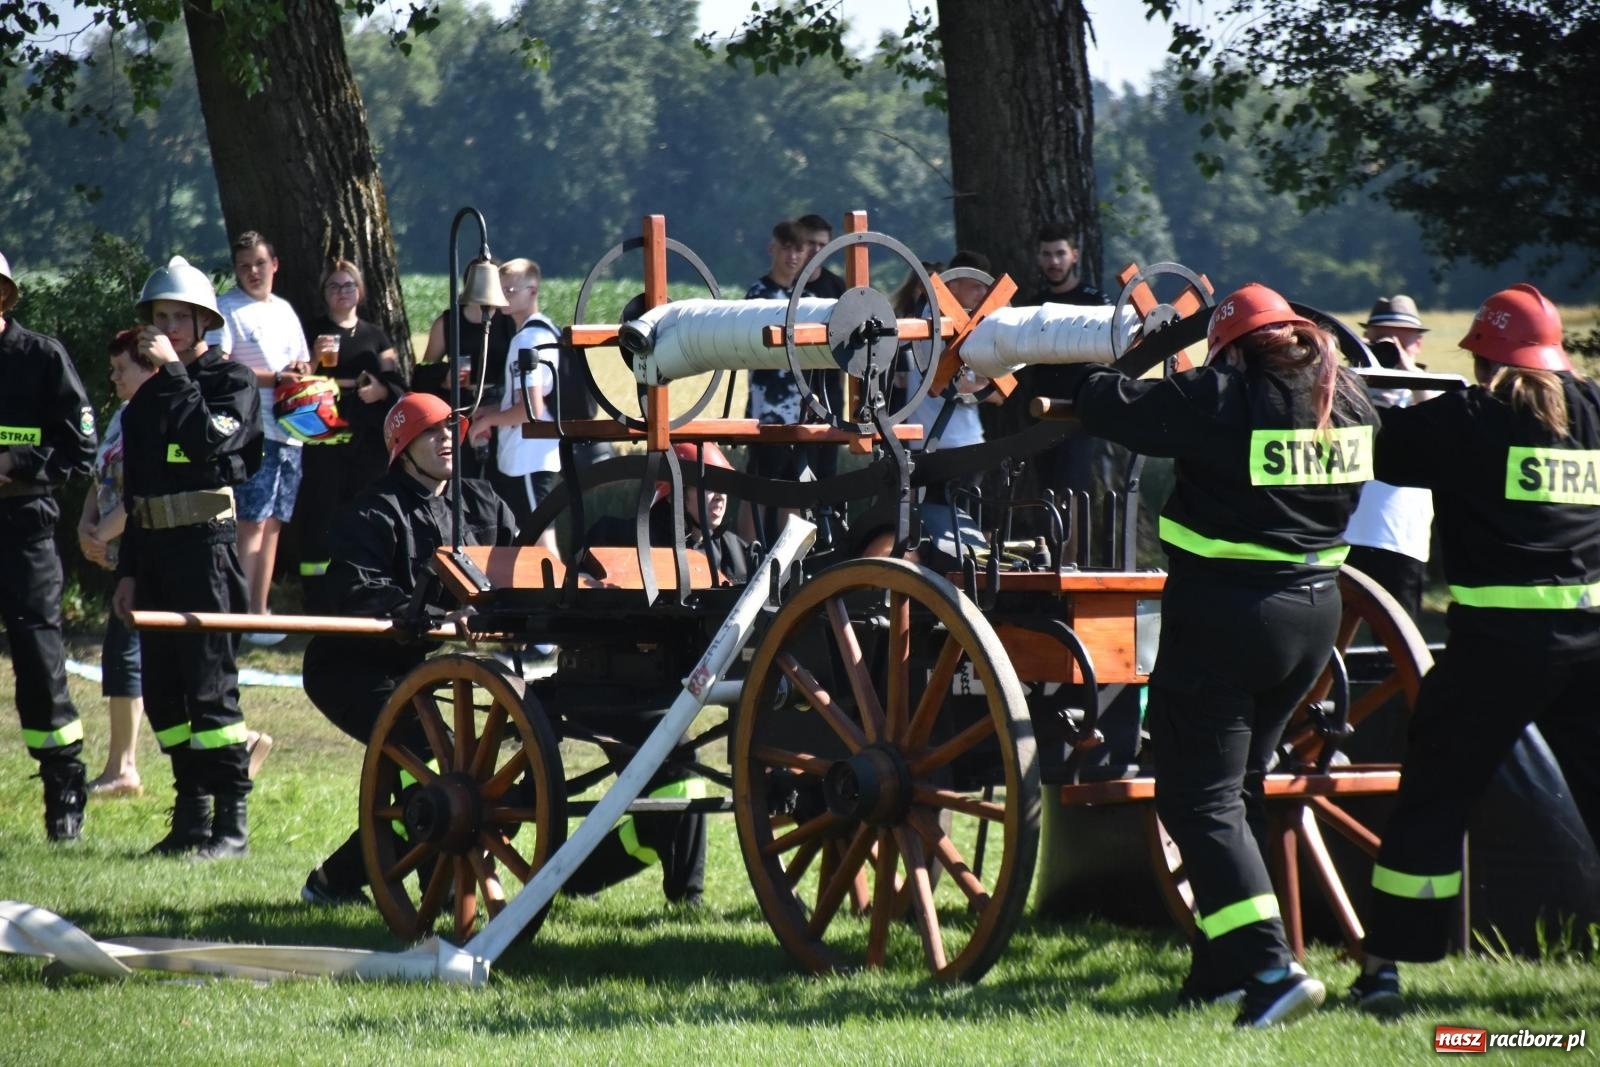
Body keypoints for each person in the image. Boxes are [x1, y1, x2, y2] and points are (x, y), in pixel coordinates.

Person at [1056, 282, 1380, 1027]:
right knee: (1237, 790)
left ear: (1232, 346)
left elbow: (1112, 406)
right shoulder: (1350, 400)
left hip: (1230, 614)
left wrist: (1091, 372)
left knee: (1196, 797)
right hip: (1316, 614)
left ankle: (1269, 967)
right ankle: (1222, 965)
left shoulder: (1224, 394)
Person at [1353, 284, 1600, 1013]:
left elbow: (1381, 453)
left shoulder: (1468, 416)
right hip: (1590, 643)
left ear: (1485, 358)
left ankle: (1384, 969)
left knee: (1433, 797)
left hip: (1496, 647)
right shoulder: (1591, 413)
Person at [299, 392, 517, 904]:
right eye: (430, 431)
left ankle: (333, 882)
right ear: (403, 444)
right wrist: (442, 617)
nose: (445, 438)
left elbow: (518, 565)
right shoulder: (372, 513)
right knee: (433, 763)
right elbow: (360, 590)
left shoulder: (482, 502)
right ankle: (438, 889)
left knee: (450, 772)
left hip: (419, 668)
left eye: (449, 429)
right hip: (352, 668)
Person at [112, 255, 263, 859]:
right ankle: (191, 816)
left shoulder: (232, 382)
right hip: (154, 556)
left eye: (181, 316)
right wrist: (127, 571)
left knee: (210, 691)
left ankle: (232, 823)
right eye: (161, 316)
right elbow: (138, 488)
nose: (169, 326)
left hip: (206, 553)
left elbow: (211, 437)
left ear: (204, 323)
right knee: (166, 695)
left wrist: (174, 374)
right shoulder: (145, 399)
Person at [0, 249, 97, 842]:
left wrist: (17, 461)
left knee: (39, 663)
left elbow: (79, 449)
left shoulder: (41, 359)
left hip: (24, 529)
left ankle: (64, 791)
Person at [217, 231, 312, 644]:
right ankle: (237, 614)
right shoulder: (226, 309)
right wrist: (275, 377)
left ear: (274, 264)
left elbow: (302, 359)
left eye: (259, 263)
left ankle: (260, 610)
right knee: (250, 523)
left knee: (273, 524)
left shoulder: (285, 311)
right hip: (252, 432)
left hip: (291, 431)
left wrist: (300, 370)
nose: (253, 272)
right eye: (244, 266)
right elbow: (219, 367)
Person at [296, 258, 407, 610]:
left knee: (365, 508)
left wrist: (380, 391)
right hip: (323, 434)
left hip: (368, 437)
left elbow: (396, 382)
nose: (342, 292)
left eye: (348, 285)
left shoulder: (376, 335)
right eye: (334, 286)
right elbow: (296, 381)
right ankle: (315, 593)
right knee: (321, 511)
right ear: (324, 293)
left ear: (359, 291)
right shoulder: (311, 330)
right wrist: (315, 360)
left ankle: (364, 586)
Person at [76, 329, 156, 798]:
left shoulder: (152, 417)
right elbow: (101, 475)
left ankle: (123, 769)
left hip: (143, 551)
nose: (113, 378)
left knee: (128, 653)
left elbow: (141, 490)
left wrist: (102, 534)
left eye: (121, 369)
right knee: (128, 653)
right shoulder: (123, 416)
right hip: (113, 544)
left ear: (150, 369)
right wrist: (86, 526)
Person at [1012, 223, 1124, 552]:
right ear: (1037, 258)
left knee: (1072, 492)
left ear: (1074, 255)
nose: (1054, 262)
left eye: (1060, 253)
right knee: (1045, 490)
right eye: (1046, 254)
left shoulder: (1094, 300)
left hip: (1079, 412)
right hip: (1040, 411)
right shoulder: (1035, 305)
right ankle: (1049, 563)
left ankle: (1071, 563)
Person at [1342, 294, 1433, 619]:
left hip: (1400, 538)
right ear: (1366, 341)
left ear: (1418, 344)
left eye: (1401, 341)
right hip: (1343, 533)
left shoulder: (1435, 389)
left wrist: (1408, 372)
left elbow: (1438, 419)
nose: (1391, 348)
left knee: (1399, 644)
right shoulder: (1350, 385)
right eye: (1382, 340)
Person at [468, 258, 560, 553]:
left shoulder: (530, 340)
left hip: (530, 458)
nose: (505, 296)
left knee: (541, 542)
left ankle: (557, 597)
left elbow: (528, 410)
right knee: (527, 540)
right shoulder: (540, 332)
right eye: (501, 289)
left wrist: (486, 422)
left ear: (533, 291)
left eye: (512, 289)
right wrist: (490, 413)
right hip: (527, 456)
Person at [794, 213, 846, 299]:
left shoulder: (837, 287)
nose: (816, 249)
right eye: (811, 243)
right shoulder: (779, 282)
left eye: (822, 245)